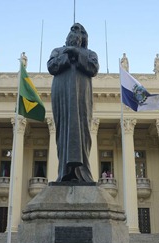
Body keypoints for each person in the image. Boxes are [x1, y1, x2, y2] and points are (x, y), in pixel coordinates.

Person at [47, 23, 99, 182]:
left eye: (81, 32)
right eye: (73, 31)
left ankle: (82, 172)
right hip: (62, 96)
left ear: (84, 38)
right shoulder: (58, 51)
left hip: (81, 96)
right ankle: (64, 172)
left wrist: (78, 54)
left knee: (82, 131)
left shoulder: (90, 53)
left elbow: (93, 68)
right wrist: (68, 55)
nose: (76, 34)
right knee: (63, 132)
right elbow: (51, 66)